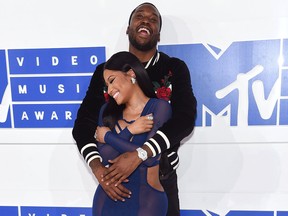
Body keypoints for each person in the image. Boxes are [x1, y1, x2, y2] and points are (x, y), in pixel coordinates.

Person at [72, 2, 197, 216]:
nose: (146, 20)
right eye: (139, 16)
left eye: (153, 19)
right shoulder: (105, 73)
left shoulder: (174, 68)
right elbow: (83, 124)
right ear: (128, 29)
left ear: (159, 34)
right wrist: (98, 170)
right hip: (112, 183)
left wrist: (142, 153)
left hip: (158, 181)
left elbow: (185, 119)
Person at [93, 51, 171, 215]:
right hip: (106, 199)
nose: (110, 89)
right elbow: (106, 156)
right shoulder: (106, 111)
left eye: (112, 81)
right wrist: (130, 130)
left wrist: (108, 136)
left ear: (131, 73)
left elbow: (149, 158)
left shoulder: (159, 108)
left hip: (147, 200)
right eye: (107, 85)